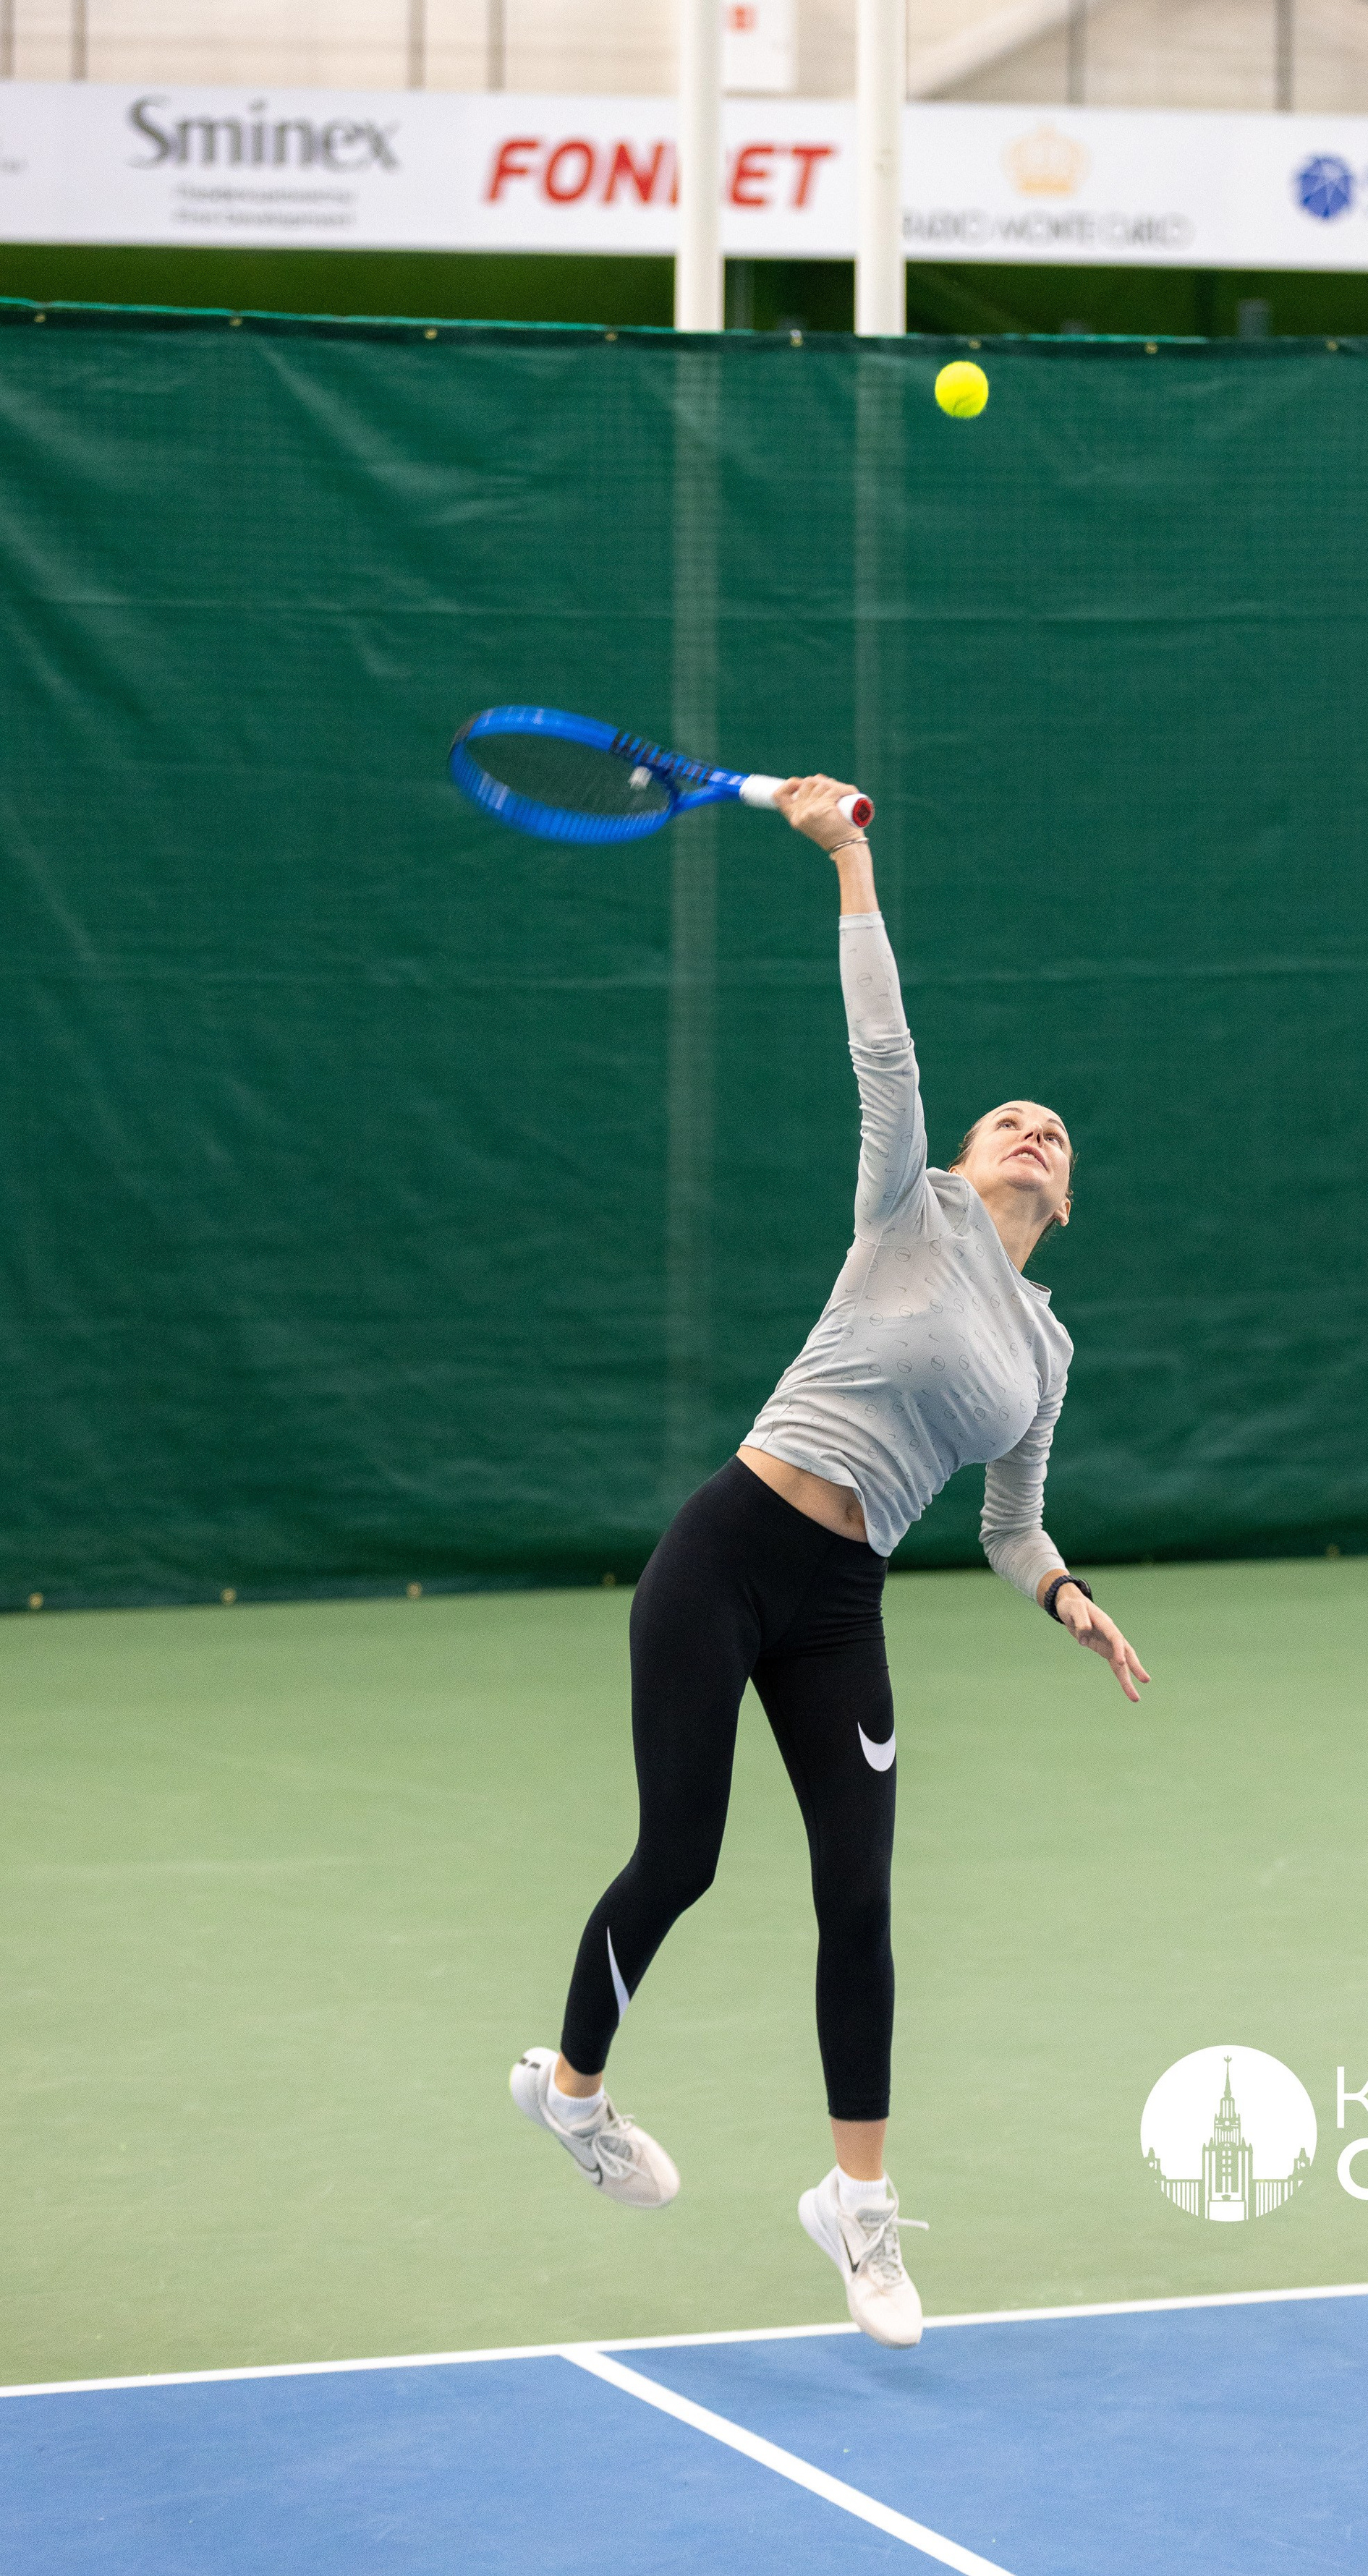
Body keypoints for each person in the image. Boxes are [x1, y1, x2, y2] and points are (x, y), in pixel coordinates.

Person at [511, 775, 1147, 2349]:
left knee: (855, 1894)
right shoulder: (904, 1204)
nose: (1029, 1130)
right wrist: (850, 857)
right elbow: (884, 1045)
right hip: (728, 1544)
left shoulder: (1046, 1352)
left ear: (1062, 1197)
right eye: (1014, 1115)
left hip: (839, 1602)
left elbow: (1006, 1523)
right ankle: (570, 2086)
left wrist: (1065, 1595)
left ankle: (854, 2206)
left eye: (1051, 1135)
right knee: (684, 1855)